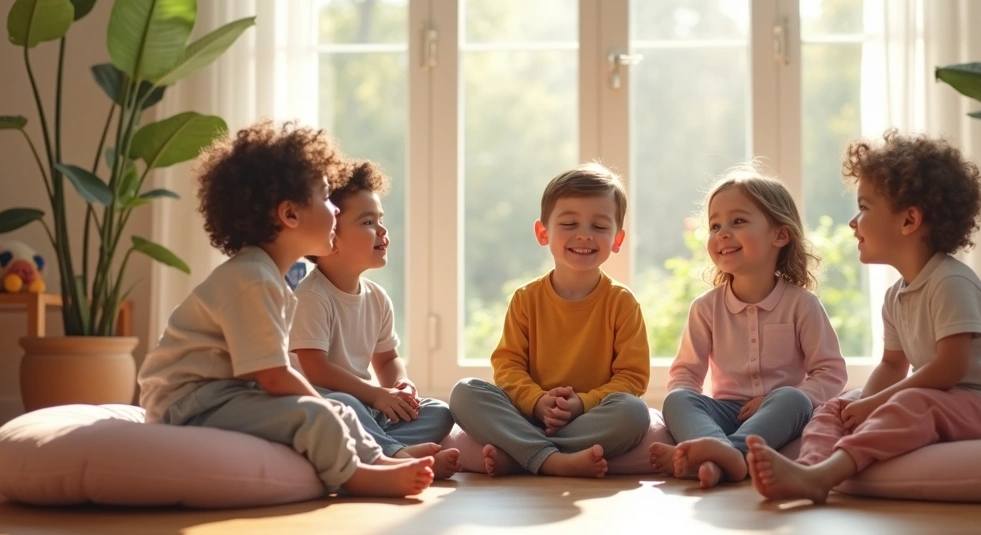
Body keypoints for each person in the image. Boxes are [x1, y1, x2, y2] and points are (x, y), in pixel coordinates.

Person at [137, 121, 433, 498]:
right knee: (319, 412)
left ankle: (379, 459)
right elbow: (275, 377)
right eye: (327, 198)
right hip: (187, 403)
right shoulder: (253, 278)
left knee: (337, 410)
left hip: (222, 393)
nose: (333, 208)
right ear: (290, 215)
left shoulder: (268, 276)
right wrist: (320, 402)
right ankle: (355, 477)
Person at [747, 131, 981, 503]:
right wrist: (861, 403)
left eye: (864, 207)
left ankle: (827, 474)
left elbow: (950, 369)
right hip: (946, 401)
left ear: (909, 220)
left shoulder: (951, 282)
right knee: (836, 406)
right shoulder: (895, 296)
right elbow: (892, 365)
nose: (853, 221)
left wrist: (877, 404)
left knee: (911, 403)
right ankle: (810, 470)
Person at [650, 164, 847, 487]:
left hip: (778, 413)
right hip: (725, 413)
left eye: (738, 221)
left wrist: (788, 397)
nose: (722, 233)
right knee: (677, 400)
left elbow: (830, 372)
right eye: (714, 226)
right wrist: (690, 407)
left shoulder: (802, 304)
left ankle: (725, 455)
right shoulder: (705, 308)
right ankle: (718, 455)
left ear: (780, 235)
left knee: (794, 399)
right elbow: (685, 375)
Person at [449, 162, 651, 478]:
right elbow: (508, 367)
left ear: (618, 239)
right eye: (570, 223)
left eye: (599, 227)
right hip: (527, 415)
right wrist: (538, 401)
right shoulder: (525, 299)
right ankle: (553, 459)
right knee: (465, 392)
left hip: (590, 418)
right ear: (543, 233)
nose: (584, 235)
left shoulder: (622, 303)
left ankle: (523, 456)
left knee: (634, 413)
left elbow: (632, 378)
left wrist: (581, 404)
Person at [290, 158, 461, 480]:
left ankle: (373, 447)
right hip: (323, 404)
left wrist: (398, 385)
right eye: (368, 222)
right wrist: (374, 395)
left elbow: (387, 359)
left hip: (366, 406)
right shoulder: (311, 295)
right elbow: (316, 369)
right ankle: (395, 456)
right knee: (343, 404)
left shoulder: (377, 297)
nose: (382, 230)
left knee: (439, 412)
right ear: (331, 237)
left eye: (380, 220)